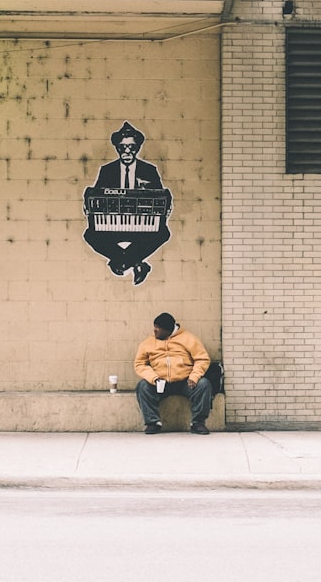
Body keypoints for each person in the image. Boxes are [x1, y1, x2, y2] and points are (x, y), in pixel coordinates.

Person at [82, 121, 172, 285]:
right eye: (123, 147)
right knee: (90, 235)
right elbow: (96, 196)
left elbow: (160, 197)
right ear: (117, 148)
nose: (127, 151)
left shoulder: (149, 170)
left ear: (137, 148)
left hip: (142, 226)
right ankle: (137, 263)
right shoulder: (107, 170)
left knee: (163, 233)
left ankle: (120, 263)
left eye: (132, 146)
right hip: (113, 224)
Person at [133, 312, 212, 435]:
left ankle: (198, 423)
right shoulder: (148, 342)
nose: (154, 331)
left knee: (204, 384)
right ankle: (153, 423)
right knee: (142, 386)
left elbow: (202, 359)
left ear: (168, 330)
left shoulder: (188, 338)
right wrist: (154, 378)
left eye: (158, 329)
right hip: (160, 383)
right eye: (154, 327)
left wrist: (194, 376)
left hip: (185, 382)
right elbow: (139, 364)